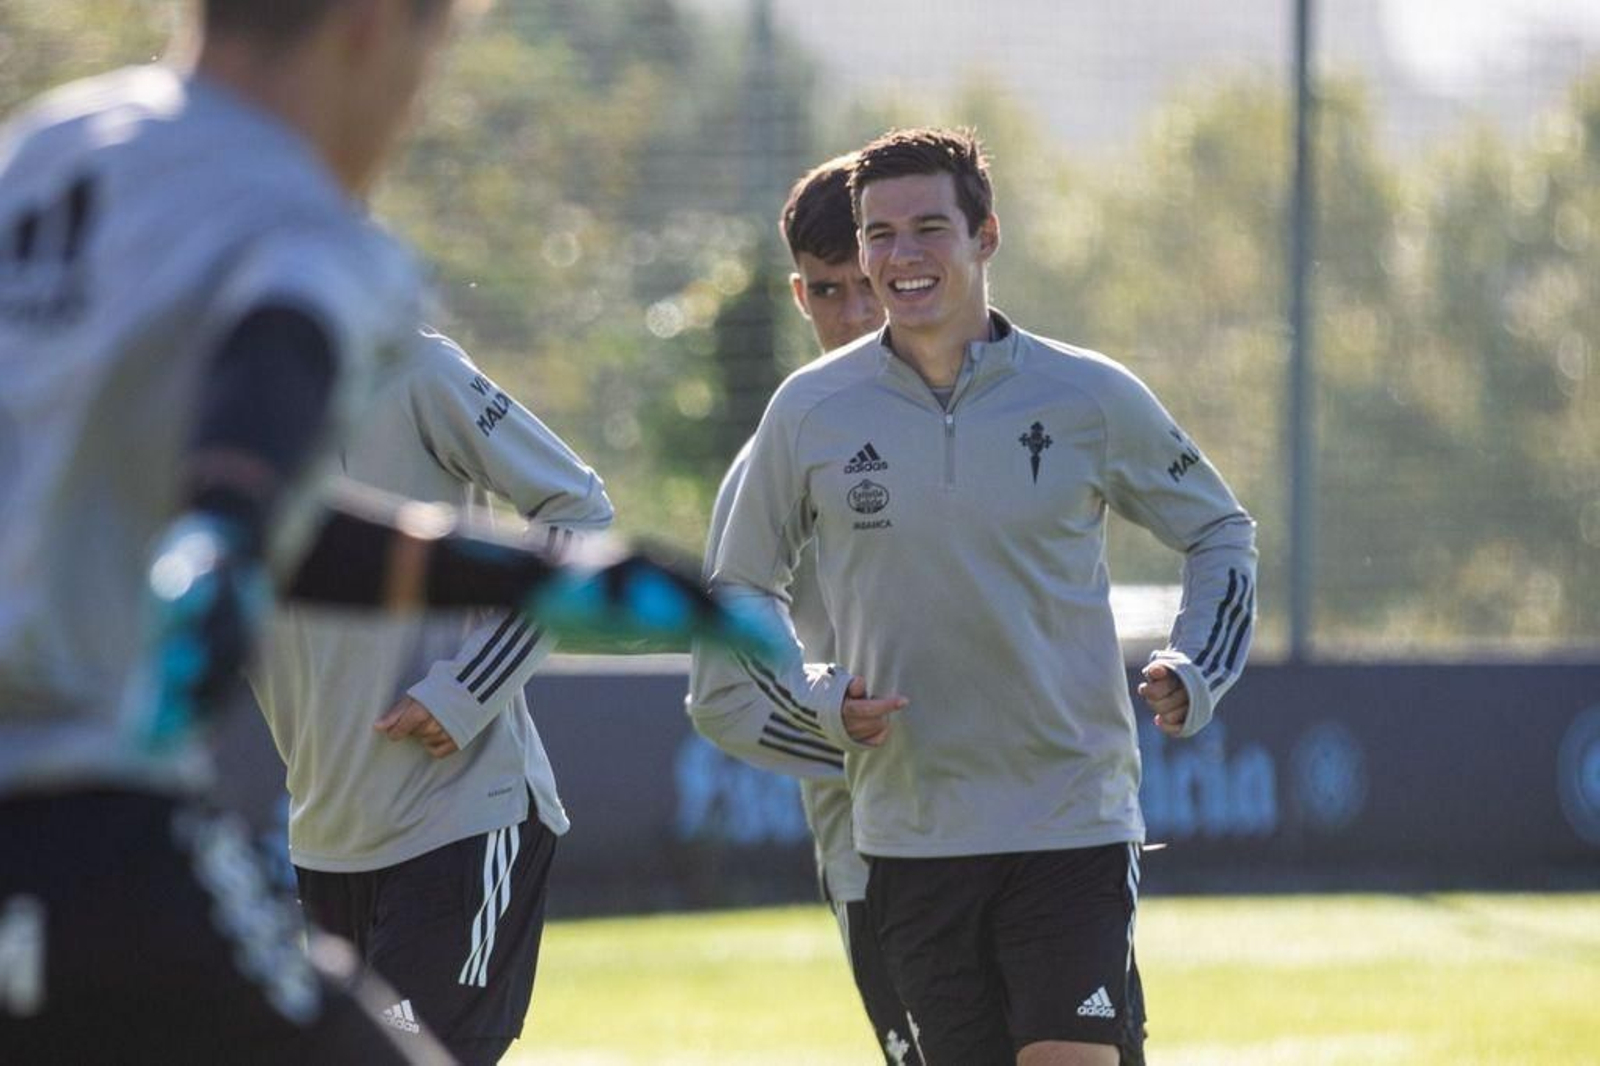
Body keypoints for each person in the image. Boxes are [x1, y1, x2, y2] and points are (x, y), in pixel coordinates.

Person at [0, 2, 767, 1061]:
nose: (417, 104)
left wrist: (533, 576)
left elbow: (251, 520)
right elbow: (268, 394)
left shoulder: (43, 153)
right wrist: (231, 517)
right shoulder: (310, 229)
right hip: (89, 819)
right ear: (367, 28)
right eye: (432, 54)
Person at [711, 127, 1257, 1065]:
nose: (901, 256)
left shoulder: (1086, 394)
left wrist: (1197, 662)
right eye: (879, 234)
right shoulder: (808, 412)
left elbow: (1220, 530)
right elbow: (735, 591)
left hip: (1070, 820)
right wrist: (817, 697)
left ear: (986, 238)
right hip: (908, 835)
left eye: (930, 228)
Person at [249, 325, 615, 1065]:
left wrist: (466, 691)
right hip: (326, 834)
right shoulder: (193, 394)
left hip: (461, 817)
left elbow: (577, 515)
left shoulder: (415, 365)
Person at [689, 155, 922, 1064]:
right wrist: (849, 738)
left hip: (1043, 843)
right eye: (831, 294)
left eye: (871, 288)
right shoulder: (774, 463)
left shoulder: (1017, 415)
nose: (858, 317)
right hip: (879, 859)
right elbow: (721, 695)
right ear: (799, 296)